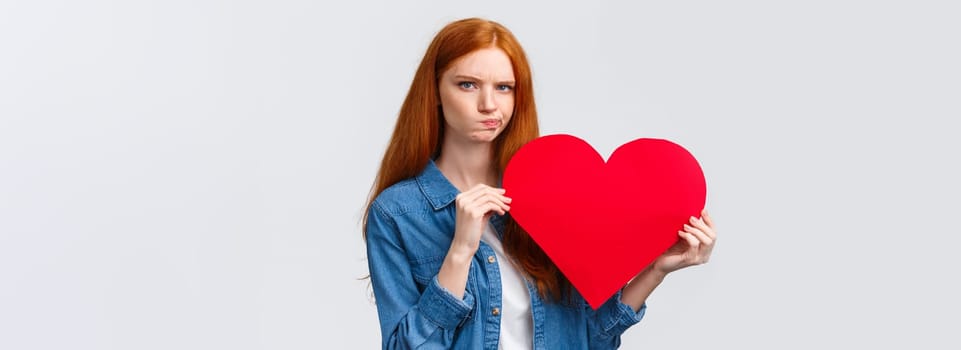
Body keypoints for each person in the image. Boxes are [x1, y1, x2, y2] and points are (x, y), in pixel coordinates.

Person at [363, 17, 717, 349]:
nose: (489, 104)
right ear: (436, 91)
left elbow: (591, 337)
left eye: (504, 88)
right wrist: (460, 251)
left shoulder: (551, 194)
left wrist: (656, 270)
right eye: (468, 84)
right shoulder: (398, 213)